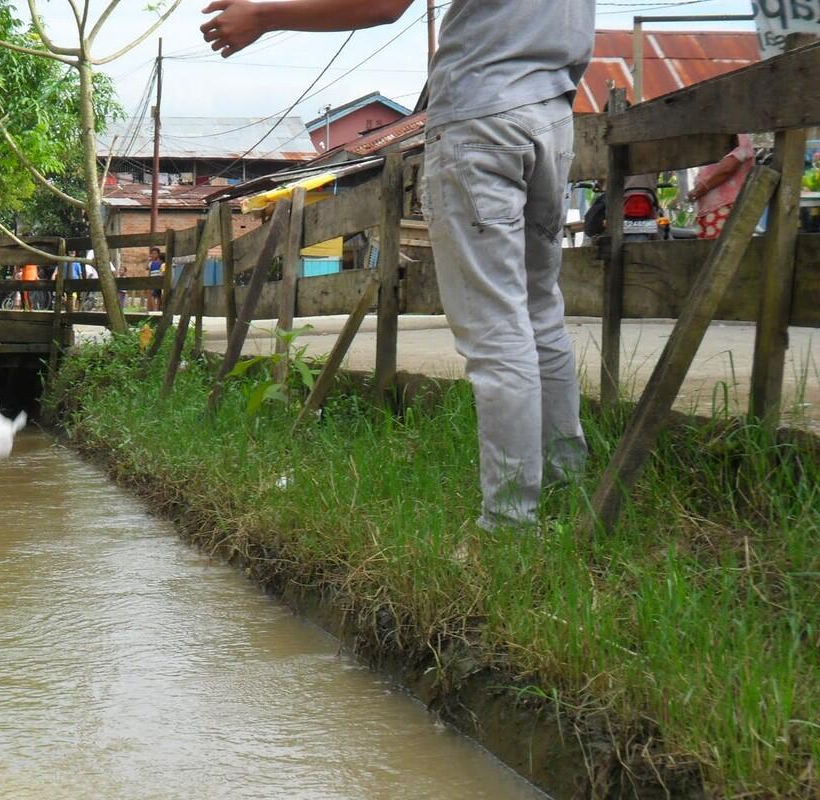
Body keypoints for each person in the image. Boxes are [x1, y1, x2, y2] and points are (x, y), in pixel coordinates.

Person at [201, 0, 592, 531]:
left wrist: (264, 15)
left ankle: (509, 525)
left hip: (483, 117)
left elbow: (384, 4)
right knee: (541, 312)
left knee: (497, 332)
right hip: (552, 116)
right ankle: (567, 492)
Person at [689, 134, 755, 241]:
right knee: (708, 252)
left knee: (721, 252)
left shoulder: (739, 137)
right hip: (709, 211)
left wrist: (702, 188)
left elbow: (727, 169)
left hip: (727, 208)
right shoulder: (715, 141)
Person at [147, 246, 165, 312]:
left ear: (158, 254)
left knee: (158, 295)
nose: (153, 255)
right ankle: (154, 308)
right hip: (152, 280)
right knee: (152, 294)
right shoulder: (151, 263)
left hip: (158, 280)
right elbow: (148, 270)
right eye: (152, 253)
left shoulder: (161, 263)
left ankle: (157, 308)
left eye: (155, 253)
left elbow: (162, 271)